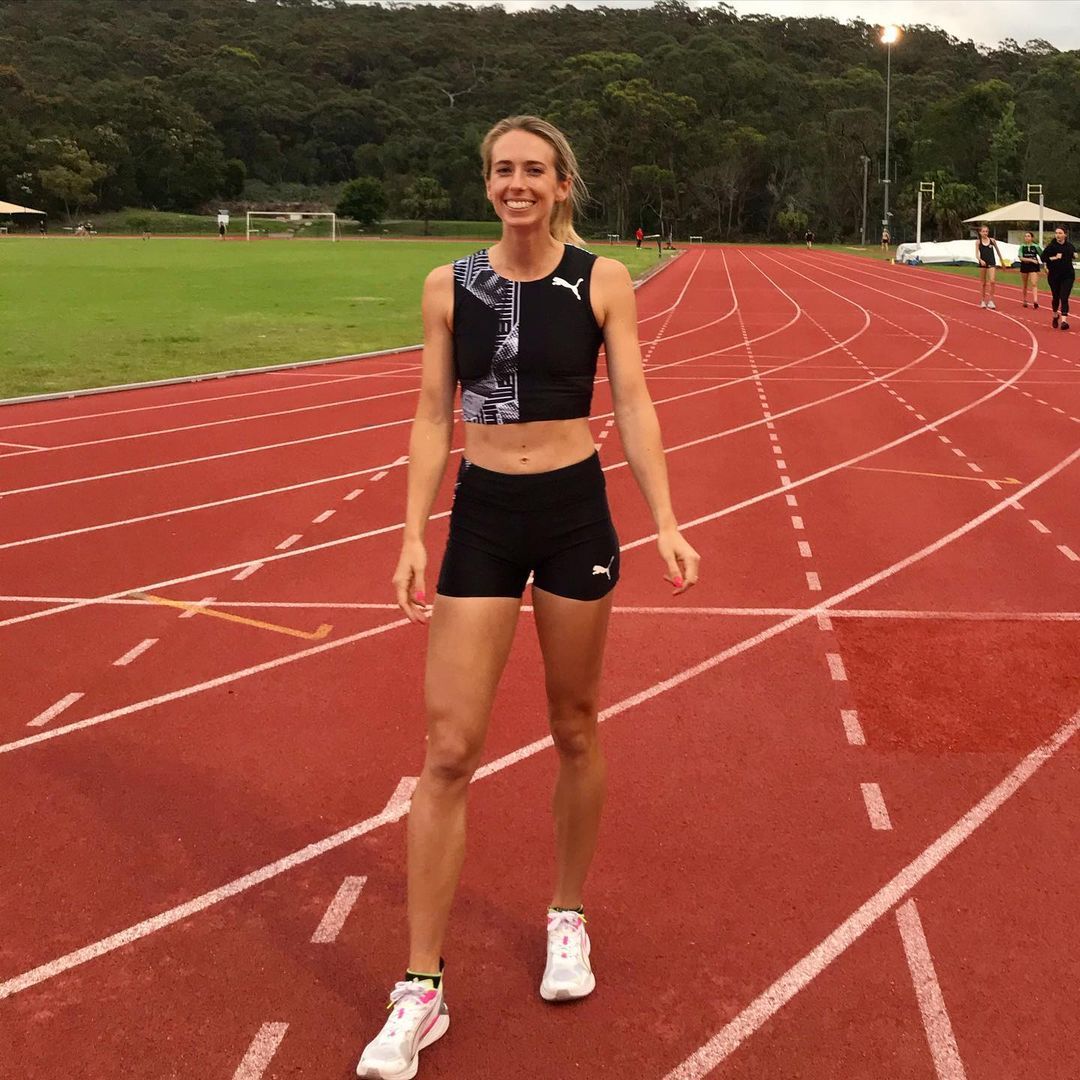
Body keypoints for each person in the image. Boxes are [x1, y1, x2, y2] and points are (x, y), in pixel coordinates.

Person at [355, 114, 700, 1080]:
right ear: (487, 183)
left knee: (575, 725)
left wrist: (666, 519)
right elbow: (433, 412)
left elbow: (633, 401)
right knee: (449, 749)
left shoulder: (601, 279)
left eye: (534, 171)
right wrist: (412, 531)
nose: (518, 183)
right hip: (485, 516)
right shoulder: (448, 285)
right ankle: (420, 988)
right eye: (503, 170)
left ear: (561, 185)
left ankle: (567, 916)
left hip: (573, 511)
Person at [1042, 226, 1076, 331]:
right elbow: (1043, 258)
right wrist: (1054, 257)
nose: (1058, 235)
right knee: (1056, 297)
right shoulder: (1051, 247)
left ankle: (1064, 321)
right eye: (1056, 233)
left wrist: (1075, 255)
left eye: (1060, 233)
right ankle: (1055, 315)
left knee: (1064, 297)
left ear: (1065, 234)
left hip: (1068, 275)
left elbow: (1074, 254)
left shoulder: (1070, 246)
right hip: (1054, 276)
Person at [974, 225, 1002, 310]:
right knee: (983, 283)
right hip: (983, 263)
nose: (985, 233)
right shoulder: (978, 242)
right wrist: (980, 260)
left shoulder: (992, 241)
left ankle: (991, 301)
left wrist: (1002, 261)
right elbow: (976, 254)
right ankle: (983, 300)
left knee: (992, 281)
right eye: (983, 231)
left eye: (986, 231)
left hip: (991, 262)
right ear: (980, 232)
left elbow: (997, 251)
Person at [1017, 231, 1041, 308]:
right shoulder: (1022, 246)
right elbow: (1021, 258)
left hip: (1034, 266)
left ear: (1032, 238)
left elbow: (1042, 255)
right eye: (1025, 236)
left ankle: (1035, 301)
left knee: (1034, 283)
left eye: (1028, 236)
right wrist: (1031, 260)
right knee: (1025, 284)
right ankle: (1024, 300)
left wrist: (1045, 264)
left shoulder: (1036, 246)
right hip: (1025, 265)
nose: (1027, 238)